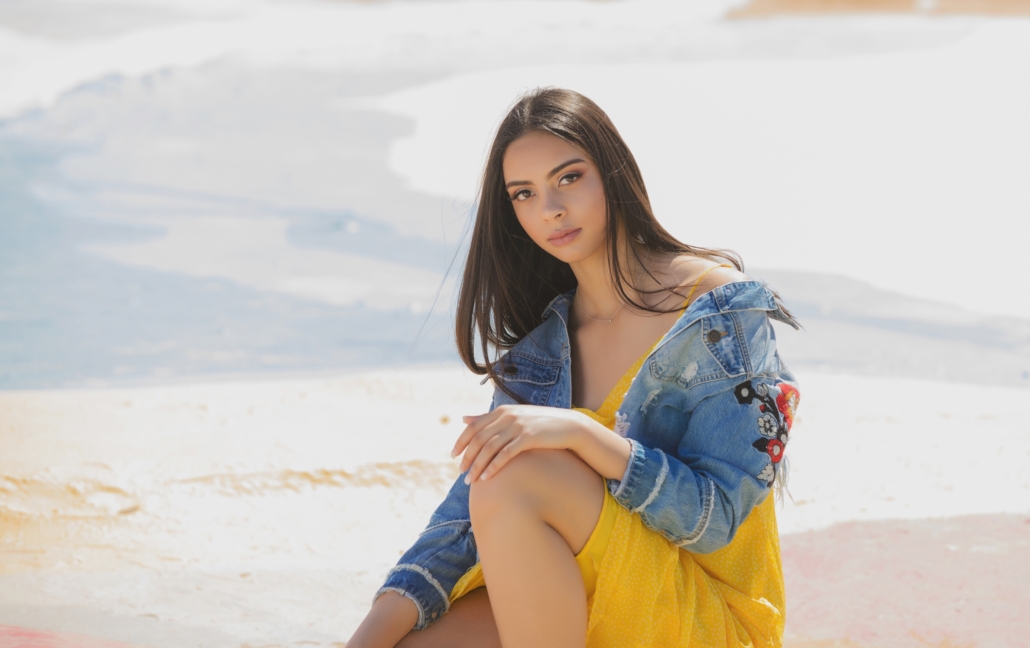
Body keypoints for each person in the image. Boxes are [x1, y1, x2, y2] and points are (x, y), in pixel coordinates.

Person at [346, 87, 801, 648]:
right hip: (585, 598)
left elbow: (716, 520)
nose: (551, 209)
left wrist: (585, 435)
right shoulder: (539, 354)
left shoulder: (717, 310)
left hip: (705, 615)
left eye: (569, 178)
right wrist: (368, 635)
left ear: (612, 173)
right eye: (524, 193)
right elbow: (464, 521)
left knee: (516, 473)